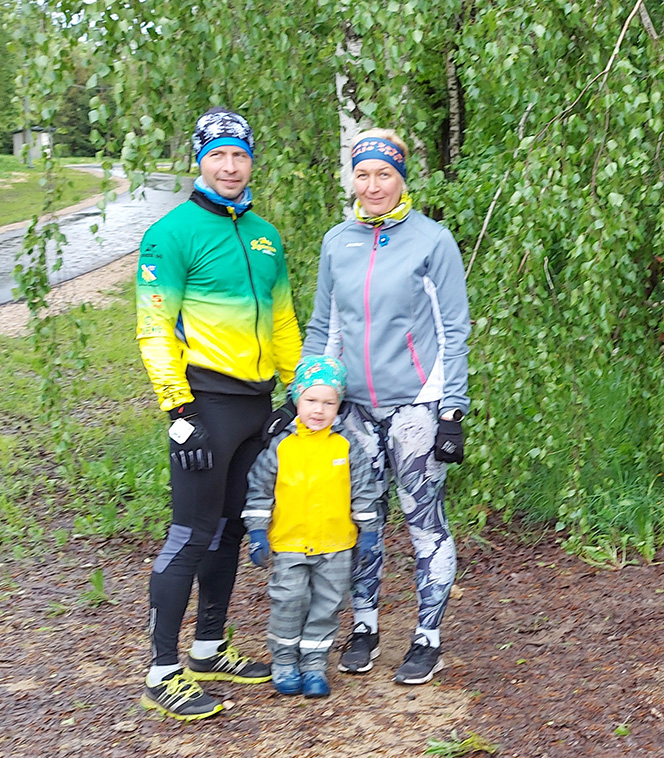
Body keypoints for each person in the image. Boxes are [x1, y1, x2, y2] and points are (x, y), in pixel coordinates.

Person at [135, 107, 302, 721]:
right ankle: (161, 671)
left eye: (240, 155)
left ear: (251, 161)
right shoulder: (171, 233)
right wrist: (178, 411)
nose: (230, 167)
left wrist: (298, 391)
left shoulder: (265, 235)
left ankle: (208, 648)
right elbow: (154, 328)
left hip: (257, 407)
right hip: (203, 404)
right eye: (218, 155)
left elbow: (282, 321)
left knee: (231, 529)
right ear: (199, 161)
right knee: (190, 534)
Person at [300, 127, 470, 685]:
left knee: (425, 524)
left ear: (401, 178)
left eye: (385, 174)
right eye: (363, 174)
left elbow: (453, 330)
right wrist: (307, 393)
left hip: (415, 410)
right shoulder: (336, 242)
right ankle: (365, 626)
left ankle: (427, 638)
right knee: (360, 522)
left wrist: (452, 410)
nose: (373, 186)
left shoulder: (432, 240)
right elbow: (324, 326)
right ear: (351, 178)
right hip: (353, 410)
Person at [243, 356, 380, 699]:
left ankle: (315, 665)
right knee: (288, 601)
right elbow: (259, 490)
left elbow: (364, 491)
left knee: (327, 606)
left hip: (336, 545)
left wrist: (369, 533)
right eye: (311, 400)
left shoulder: (346, 446)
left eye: (329, 403)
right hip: (289, 543)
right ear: (297, 400)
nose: (319, 410)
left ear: (339, 405)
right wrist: (257, 532)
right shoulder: (281, 446)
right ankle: (284, 662)